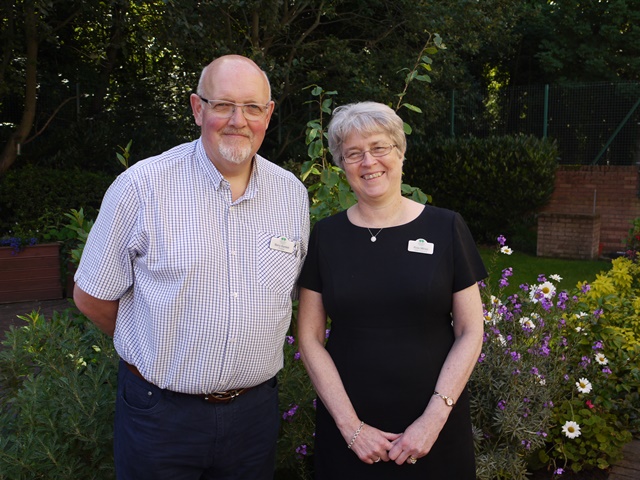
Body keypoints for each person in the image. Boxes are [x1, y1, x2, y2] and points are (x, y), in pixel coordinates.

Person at [73, 54, 310, 480]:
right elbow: (91, 297)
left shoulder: (291, 194)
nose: (238, 120)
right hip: (160, 416)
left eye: (252, 107)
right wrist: (157, 340)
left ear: (268, 115)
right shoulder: (141, 188)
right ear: (198, 108)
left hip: (254, 417)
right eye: (223, 105)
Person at [297, 101, 486, 479]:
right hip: (348, 431)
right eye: (353, 153)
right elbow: (309, 337)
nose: (369, 162)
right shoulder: (326, 236)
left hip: (435, 427)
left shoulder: (446, 227)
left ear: (399, 153)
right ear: (342, 165)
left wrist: (433, 419)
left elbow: (471, 330)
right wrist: (352, 428)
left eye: (379, 147)